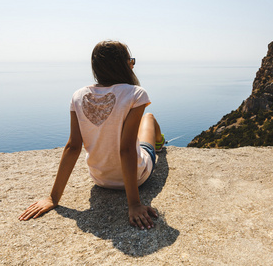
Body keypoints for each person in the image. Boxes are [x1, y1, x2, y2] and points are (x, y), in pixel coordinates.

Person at [19, 40, 165, 230]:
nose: (132, 65)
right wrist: (134, 205)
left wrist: (53, 198)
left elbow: (73, 146)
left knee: (134, 130)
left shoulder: (78, 96)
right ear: (124, 64)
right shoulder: (136, 94)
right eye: (131, 61)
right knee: (150, 118)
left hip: (100, 179)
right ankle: (160, 143)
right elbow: (127, 149)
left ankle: (158, 142)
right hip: (137, 177)